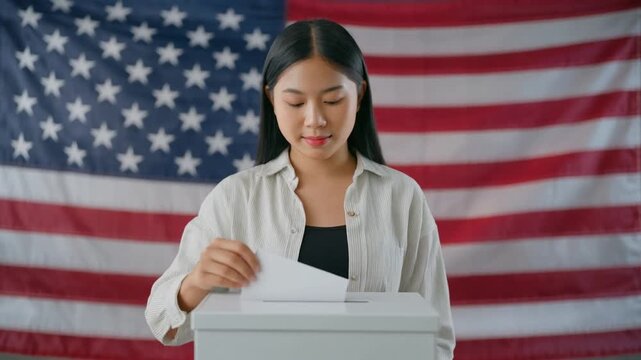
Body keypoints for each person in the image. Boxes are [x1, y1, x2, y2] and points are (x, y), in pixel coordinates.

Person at [145, 18, 455, 358]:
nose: (315, 120)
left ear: (360, 94)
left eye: (333, 100)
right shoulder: (236, 197)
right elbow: (163, 324)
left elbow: (435, 338)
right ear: (271, 98)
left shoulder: (402, 197)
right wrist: (197, 282)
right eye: (295, 103)